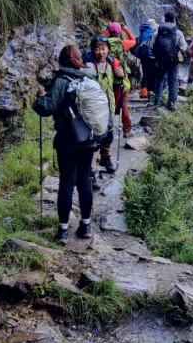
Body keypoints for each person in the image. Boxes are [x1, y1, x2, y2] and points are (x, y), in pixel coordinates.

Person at [31, 45, 95, 243]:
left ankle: (63, 230)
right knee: (84, 181)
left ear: (61, 62)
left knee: (67, 182)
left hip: (68, 139)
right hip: (88, 138)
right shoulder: (89, 79)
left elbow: (46, 108)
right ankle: (85, 225)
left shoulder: (60, 82)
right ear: (79, 60)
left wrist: (40, 97)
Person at [85, 36, 123, 176]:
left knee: (109, 134)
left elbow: (119, 85)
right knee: (94, 137)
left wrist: (121, 76)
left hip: (109, 106)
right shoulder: (89, 66)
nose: (100, 52)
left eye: (103, 48)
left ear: (108, 49)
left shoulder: (112, 64)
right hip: (94, 108)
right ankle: (91, 169)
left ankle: (106, 158)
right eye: (97, 49)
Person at [104, 22, 135, 139]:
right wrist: (126, 29)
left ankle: (107, 129)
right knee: (124, 106)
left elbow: (97, 40)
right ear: (119, 33)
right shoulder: (123, 44)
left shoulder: (104, 44)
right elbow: (134, 41)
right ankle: (127, 130)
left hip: (107, 80)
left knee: (108, 105)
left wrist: (106, 31)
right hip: (122, 80)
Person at [150, 11, 187, 110]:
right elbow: (184, 47)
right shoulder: (177, 32)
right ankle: (171, 104)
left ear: (164, 19)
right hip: (173, 60)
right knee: (173, 81)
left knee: (160, 79)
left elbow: (151, 45)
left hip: (160, 60)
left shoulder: (157, 32)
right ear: (174, 20)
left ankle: (157, 101)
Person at [135, 19, 158, 100]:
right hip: (152, 57)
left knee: (145, 73)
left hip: (143, 56)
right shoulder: (154, 32)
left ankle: (143, 92)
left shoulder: (142, 33)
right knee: (153, 74)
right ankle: (151, 93)